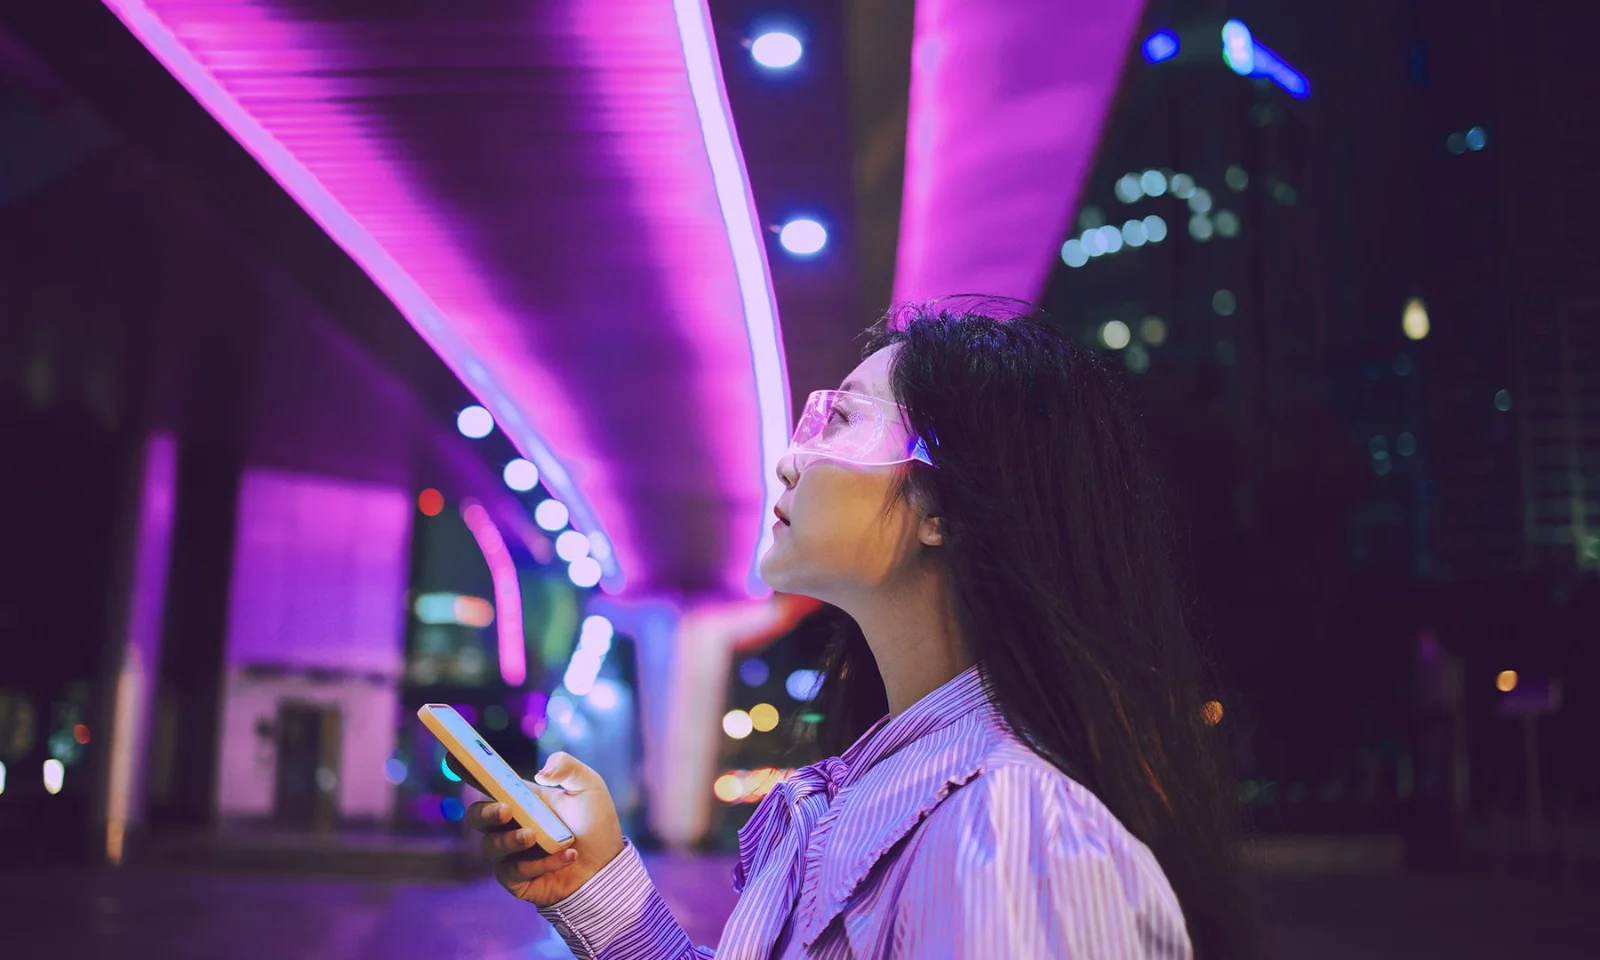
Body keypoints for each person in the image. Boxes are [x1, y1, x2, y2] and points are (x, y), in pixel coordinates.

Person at [463, 299, 1258, 958]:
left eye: (837, 419)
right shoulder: (914, 787)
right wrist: (596, 881)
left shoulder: (1011, 827)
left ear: (943, 506)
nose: (788, 460)